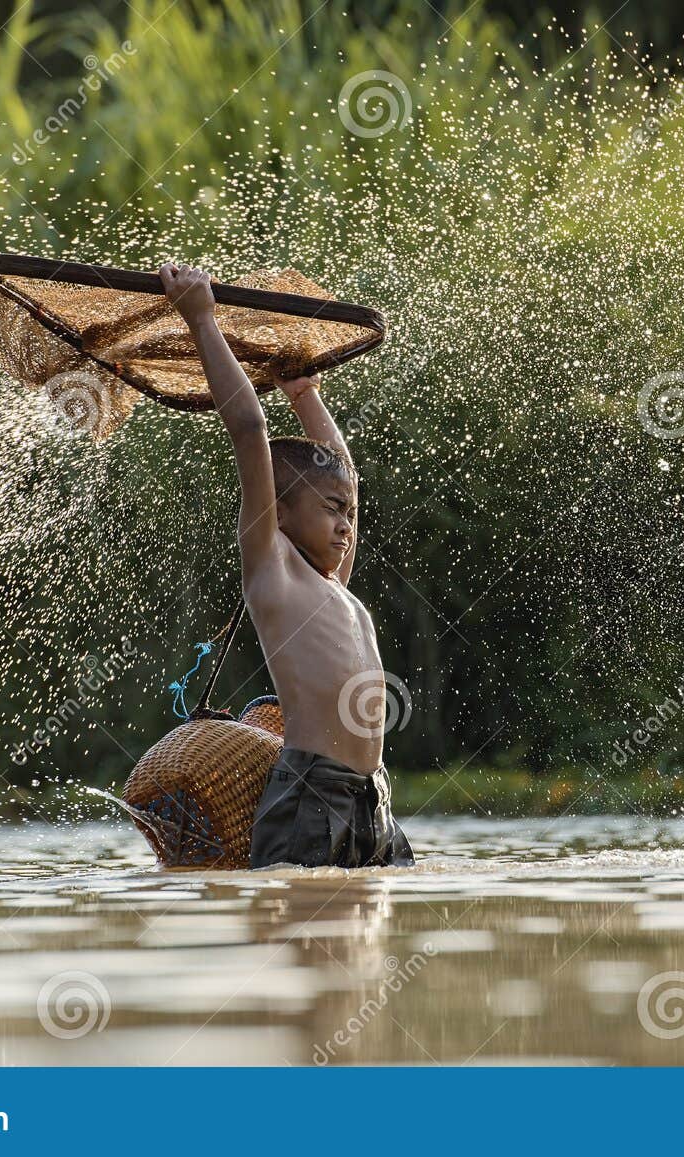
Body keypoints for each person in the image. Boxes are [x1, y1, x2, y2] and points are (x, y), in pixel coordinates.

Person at [159, 262, 415, 868]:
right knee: (306, 941)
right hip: (310, 796)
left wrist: (305, 393)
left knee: (368, 945)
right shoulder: (272, 571)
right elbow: (248, 428)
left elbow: (343, 472)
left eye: (348, 514)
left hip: (370, 797)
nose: (345, 524)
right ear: (279, 513)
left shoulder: (338, 590)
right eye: (330, 511)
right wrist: (201, 317)